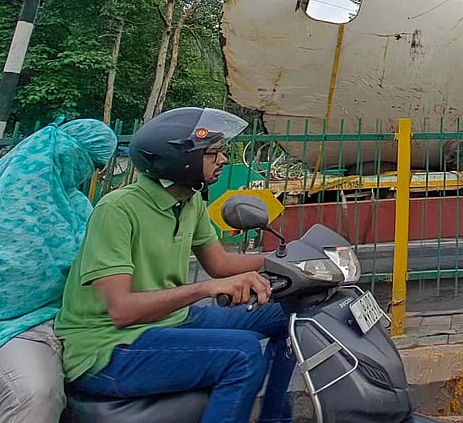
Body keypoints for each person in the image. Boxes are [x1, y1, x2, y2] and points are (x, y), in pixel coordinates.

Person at [55, 107, 293, 423]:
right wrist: (204, 289)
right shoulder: (117, 209)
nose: (222, 160)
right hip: (107, 346)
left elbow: (219, 263)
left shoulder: (189, 200)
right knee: (242, 354)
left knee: (288, 315)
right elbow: (121, 310)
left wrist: (292, 259)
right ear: (181, 161)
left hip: (169, 321)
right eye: (212, 154)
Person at [0, 118, 118, 422]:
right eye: (95, 163)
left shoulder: (73, 201)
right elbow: (16, 277)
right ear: (74, 155)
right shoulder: (10, 199)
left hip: (70, 321)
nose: (95, 173)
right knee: (36, 393)